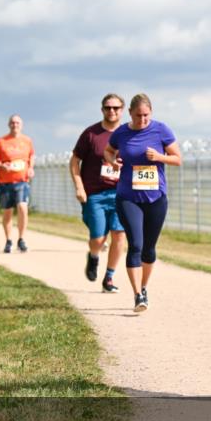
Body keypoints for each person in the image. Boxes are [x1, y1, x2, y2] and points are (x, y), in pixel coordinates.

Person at [102, 93, 181, 311]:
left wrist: (159, 157)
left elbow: (177, 159)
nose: (143, 120)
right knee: (135, 244)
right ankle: (138, 295)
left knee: (149, 248)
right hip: (128, 197)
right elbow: (108, 151)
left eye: (146, 115)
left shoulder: (161, 130)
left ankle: (144, 287)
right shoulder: (122, 132)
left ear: (151, 113)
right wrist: (113, 162)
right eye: (138, 116)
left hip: (156, 198)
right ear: (130, 113)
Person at [70, 94, 127, 293]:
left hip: (121, 194)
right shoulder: (91, 134)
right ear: (102, 109)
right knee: (98, 238)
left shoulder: (128, 134)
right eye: (108, 108)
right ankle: (94, 256)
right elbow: (75, 160)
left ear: (123, 110)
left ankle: (109, 278)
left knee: (119, 235)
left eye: (116, 108)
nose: (112, 111)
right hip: (95, 194)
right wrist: (79, 186)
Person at [0, 114, 35, 253]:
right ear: (9, 124)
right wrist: (2, 166)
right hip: (5, 182)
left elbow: (32, 155)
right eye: (12, 122)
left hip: (22, 181)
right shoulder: (1, 141)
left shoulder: (27, 140)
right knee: (8, 212)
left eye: (17, 123)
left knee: (22, 207)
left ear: (21, 125)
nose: (15, 125)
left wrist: (31, 168)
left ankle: (21, 239)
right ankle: (9, 240)